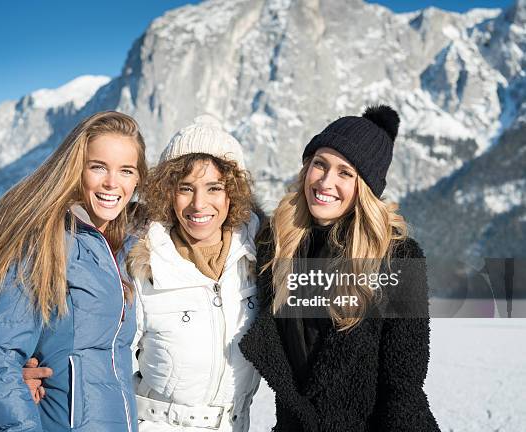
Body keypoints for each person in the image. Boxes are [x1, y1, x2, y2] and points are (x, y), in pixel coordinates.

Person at [238, 105, 441, 431]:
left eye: (345, 172)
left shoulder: (398, 259)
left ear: (366, 187)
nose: (326, 181)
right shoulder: (277, 249)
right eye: (320, 164)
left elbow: (402, 389)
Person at [0, 111, 147, 432]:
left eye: (126, 170)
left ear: (137, 179)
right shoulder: (45, 243)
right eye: (98, 167)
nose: (112, 182)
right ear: (76, 169)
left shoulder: (123, 247)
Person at [127, 115, 261, 431]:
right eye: (186, 188)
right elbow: (101, 359)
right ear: (168, 193)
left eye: (214, 187)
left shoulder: (260, 257)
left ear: (233, 193)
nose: (199, 205)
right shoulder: (143, 263)